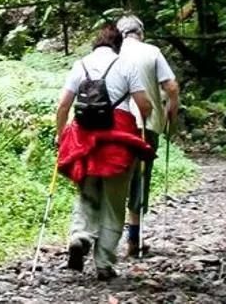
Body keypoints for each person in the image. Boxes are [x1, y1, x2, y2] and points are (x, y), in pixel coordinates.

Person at [54, 23, 154, 281]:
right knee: (113, 202)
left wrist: (60, 135)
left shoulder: (80, 65)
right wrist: (147, 113)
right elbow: (143, 105)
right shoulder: (126, 66)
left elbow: (63, 105)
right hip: (118, 142)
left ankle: (80, 237)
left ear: (95, 43)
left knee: (87, 195)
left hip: (84, 141)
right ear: (117, 45)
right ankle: (104, 264)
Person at [115, 14, 180, 258]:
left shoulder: (114, 53)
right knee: (140, 179)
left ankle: (106, 237)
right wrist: (170, 110)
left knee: (116, 177)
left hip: (116, 124)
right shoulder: (151, 51)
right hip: (146, 123)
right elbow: (171, 87)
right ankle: (134, 239)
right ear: (140, 33)